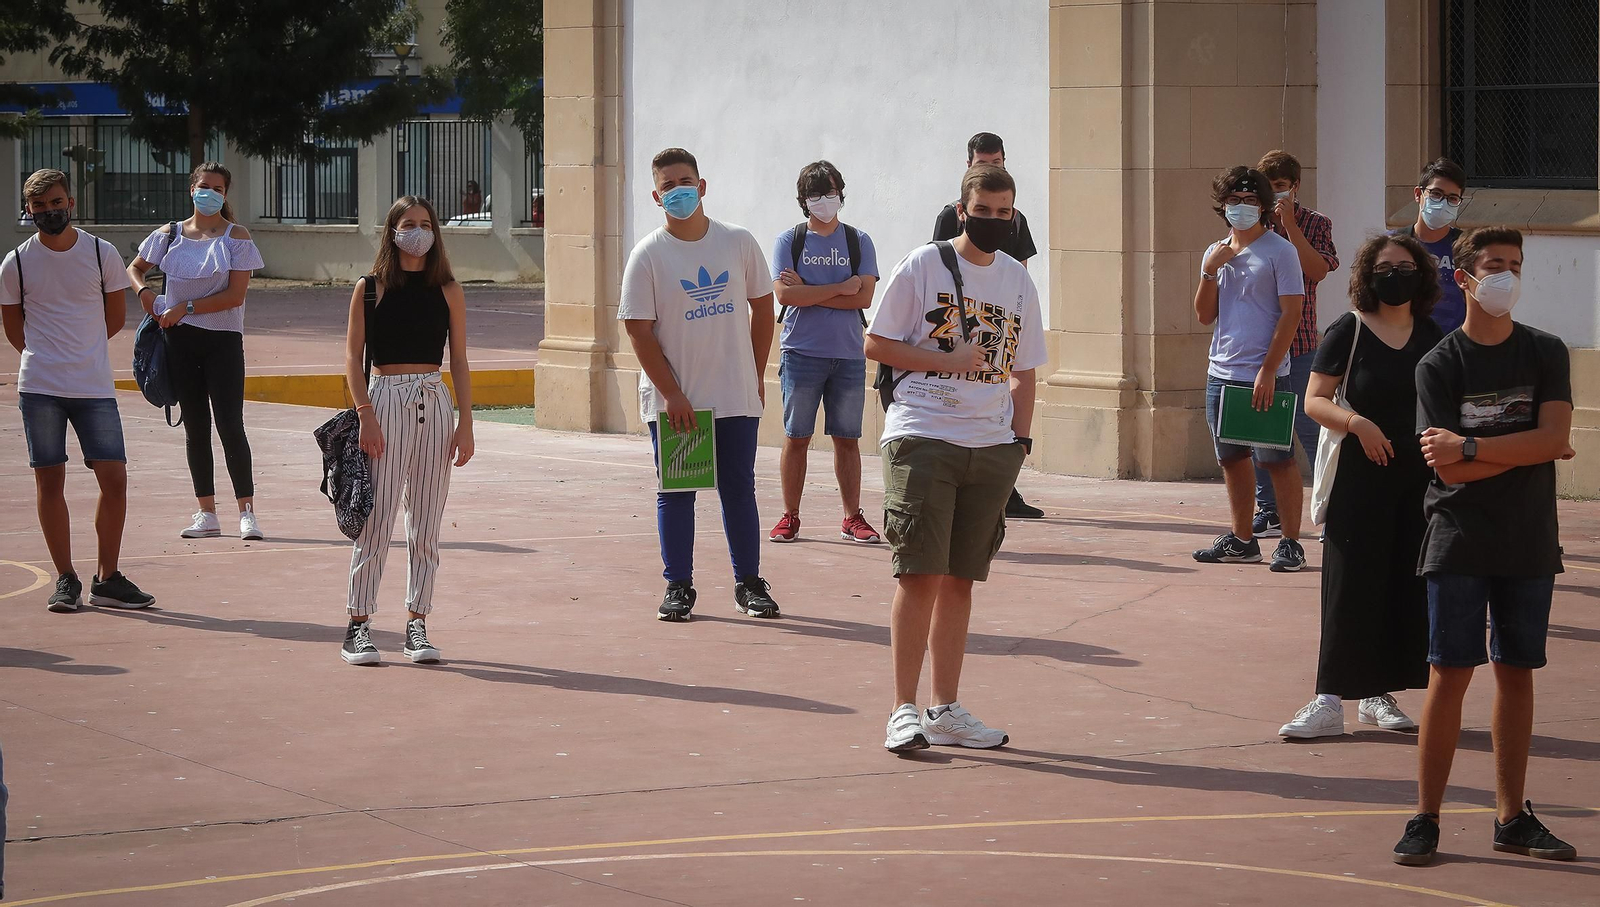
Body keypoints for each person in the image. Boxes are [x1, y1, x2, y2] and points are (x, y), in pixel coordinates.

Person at [1393, 226, 1578, 866]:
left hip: (1529, 537)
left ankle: (1511, 817)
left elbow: (1552, 439)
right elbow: (1445, 469)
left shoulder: (1546, 351)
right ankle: (1426, 818)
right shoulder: (1439, 365)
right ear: (1464, 277)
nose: (1506, 276)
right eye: (1494, 264)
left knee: (1516, 672)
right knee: (1449, 674)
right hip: (1459, 536)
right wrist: (1526, 451)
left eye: (1515, 265)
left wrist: (1472, 445)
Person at [867, 163, 1047, 753]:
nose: (994, 220)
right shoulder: (924, 265)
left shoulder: (1018, 280)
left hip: (991, 446)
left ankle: (944, 709)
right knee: (919, 573)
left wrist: (1019, 442)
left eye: (1004, 212)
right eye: (983, 210)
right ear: (961, 210)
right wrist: (947, 362)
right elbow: (876, 342)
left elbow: (1024, 369)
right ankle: (903, 710)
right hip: (923, 434)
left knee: (961, 580)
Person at [1278, 234, 1441, 739]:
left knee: (1401, 584)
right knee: (1349, 585)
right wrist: (1357, 424)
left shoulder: (1432, 334)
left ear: (1422, 275)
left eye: (1406, 267)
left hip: (1416, 479)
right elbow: (1315, 399)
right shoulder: (1348, 329)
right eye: (1385, 267)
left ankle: (1376, 694)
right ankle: (1328, 699)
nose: (1396, 275)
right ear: (1368, 276)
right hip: (1359, 475)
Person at [620, 148, 780, 622]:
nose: (678, 191)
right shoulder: (648, 255)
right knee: (678, 493)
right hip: (680, 403)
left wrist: (754, 374)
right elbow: (638, 330)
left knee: (739, 489)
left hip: (734, 396)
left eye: (685, 182)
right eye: (667, 186)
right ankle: (678, 585)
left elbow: (763, 308)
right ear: (656, 197)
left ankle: (749, 583)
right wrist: (672, 394)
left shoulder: (738, 242)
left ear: (702, 186)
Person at [0, 169, 154, 613]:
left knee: (115, 479)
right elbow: (14, 329)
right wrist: (47, 357)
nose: (49, 211)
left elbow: (113, 319)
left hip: (94, 387)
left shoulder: (101, 253)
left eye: (56, 202)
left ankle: (107, 577)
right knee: (50, 481)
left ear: (71, 203)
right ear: (28, 210)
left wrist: (80, 354)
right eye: (39, 206)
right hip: (40, 388)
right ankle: (66, 577)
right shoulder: (16, 263)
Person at [339, 196, 475, 665]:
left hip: (434, 401)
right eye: (408, 224)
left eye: (425, 224)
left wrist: (465, 423)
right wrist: (365, 414)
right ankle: (358, 625)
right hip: (384, 400)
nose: (418, 232)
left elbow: (459, 360)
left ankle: (417, 623)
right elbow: (352, 358)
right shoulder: (370, 288)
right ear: (392, 232)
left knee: (427, 522)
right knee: (376, 520)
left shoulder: (448, 289)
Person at [128, 162, 267, 541]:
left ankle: (247, 512)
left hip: (223, 342)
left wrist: (185, 308)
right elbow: (135, 268)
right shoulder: (169, 234)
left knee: (230, 425)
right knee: (195, 426)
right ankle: (207, 512)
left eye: (218, 188)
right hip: (179, 341)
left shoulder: (236, 236)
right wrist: (145, 293)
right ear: (192, 189)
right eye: (204, 186)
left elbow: (235, 296)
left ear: (226, 194)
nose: (210, 193)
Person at [1191, 166, 1307, 572]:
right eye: (1234, 200)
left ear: (1263, 206)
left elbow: (1291, 313)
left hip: (1265, 373)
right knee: (1232, 458)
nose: (1241, 207)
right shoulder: (1216, 251)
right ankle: (1242, 540)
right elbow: (1204, 315)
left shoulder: (1280, 251)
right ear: (1223, 205)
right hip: (1222, 372)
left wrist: (1269, 369)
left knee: (1277, 459)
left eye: (1250, 200)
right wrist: (1209, 270)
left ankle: (1290, 542)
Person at [931, 132, 1044, 521]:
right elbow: (940, 267)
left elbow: (1021, 272)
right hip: (961, 324)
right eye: (983, 163)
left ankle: (1006, 486)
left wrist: (1016, 314)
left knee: (1001, 400)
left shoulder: (1017, 218)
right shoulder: (950, 216)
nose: (991, 169)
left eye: (997, 163)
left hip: (1002, 322)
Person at [769, 161, 881, 544]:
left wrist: (809, 290)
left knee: (847, 439)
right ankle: (790, 515)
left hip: (848, 355)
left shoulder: (858, 241)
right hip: (800, 353)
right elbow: (784, 295)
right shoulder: (789, 241)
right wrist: (840, 287)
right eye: (815, 194)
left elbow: (864, 297)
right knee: (796, 436)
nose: (824, 200)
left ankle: (852, 517)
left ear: (841, 193)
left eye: (830, 192)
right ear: (804, 199)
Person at [1249, 151, 1338, 539]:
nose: (1275, 195)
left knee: (1312, 430)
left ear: (1295, 186)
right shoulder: (1252, 224)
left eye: (1281, 187)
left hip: (1300, 346)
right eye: (1269, 188)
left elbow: (1318, 270)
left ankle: (1330, 509)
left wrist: (1290, 227)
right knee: (1260, 433)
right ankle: (1268, 510)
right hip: (1259, 347)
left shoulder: (1316, 223)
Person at [1394, 158, 1469, 335]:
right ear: (1418, 194)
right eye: (1436, 194)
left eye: (1452, 198)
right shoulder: (1392, 244)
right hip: (1402, 344)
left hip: (1452, 345)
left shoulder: (1467, 247)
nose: (1443, 203)